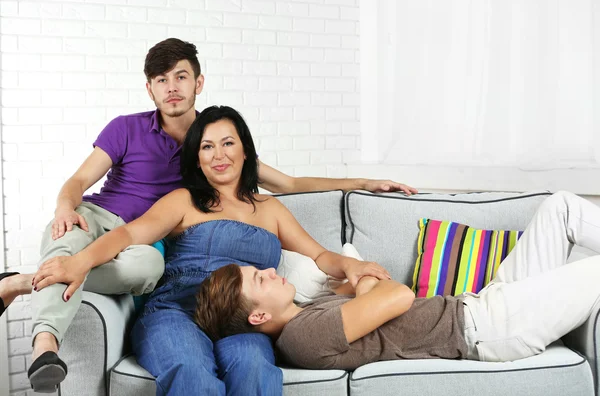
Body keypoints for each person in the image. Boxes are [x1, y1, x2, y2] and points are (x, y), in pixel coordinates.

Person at [25, 38, 416, 393]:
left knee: (255, 369)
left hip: (244, 320)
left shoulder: (270, 208)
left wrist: (350, 253)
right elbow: (128, 237)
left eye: (228, 143)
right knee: (190, 367)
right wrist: (80, 261)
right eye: (208, 147)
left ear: (246, 151)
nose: (219, 154)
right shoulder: (182, 200)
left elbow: (319, 254)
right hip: (175, 310)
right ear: (197, 156)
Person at [194, 191, 600, 370]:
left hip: (481, 302)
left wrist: (361, 285)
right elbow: (398, 295)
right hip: (487, 328)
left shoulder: (309, 309)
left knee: (561, 207)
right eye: (259, 280)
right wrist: (367, 286)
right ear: (258, 316)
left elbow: (368, 284)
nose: (269, 271)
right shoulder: (302, 337)